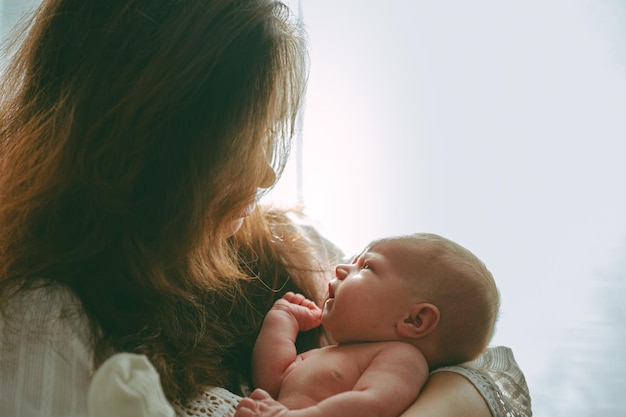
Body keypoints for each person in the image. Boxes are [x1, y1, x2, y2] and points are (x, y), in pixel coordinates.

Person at [0, 1, 531, 416]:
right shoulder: (43, 322)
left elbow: (488, 366)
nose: (266, 174)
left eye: (269, 134)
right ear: (154, 146)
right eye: (242, 140)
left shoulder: (284, 244)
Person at [235, 233, 501, 417]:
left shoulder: (402, 359)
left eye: (366, 266)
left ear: (414, 320)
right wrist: (281, 320)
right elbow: (272, 381)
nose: (341, 268)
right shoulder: (331, 353)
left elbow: (370, 406)